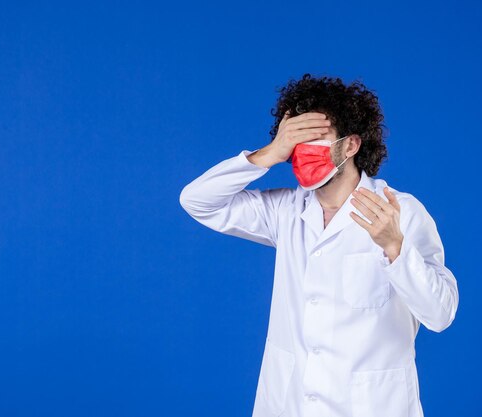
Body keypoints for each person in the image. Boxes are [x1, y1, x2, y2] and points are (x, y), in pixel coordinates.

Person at [178, 73, 459, 417]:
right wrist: (269, 153)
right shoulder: (287, 211)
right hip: (290, 404)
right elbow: (197, 201)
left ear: (351, 145)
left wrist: (395, 248)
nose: (302, 152)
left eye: (316, 140)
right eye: (295, 141)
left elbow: (441, 313)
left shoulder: (401, 211)